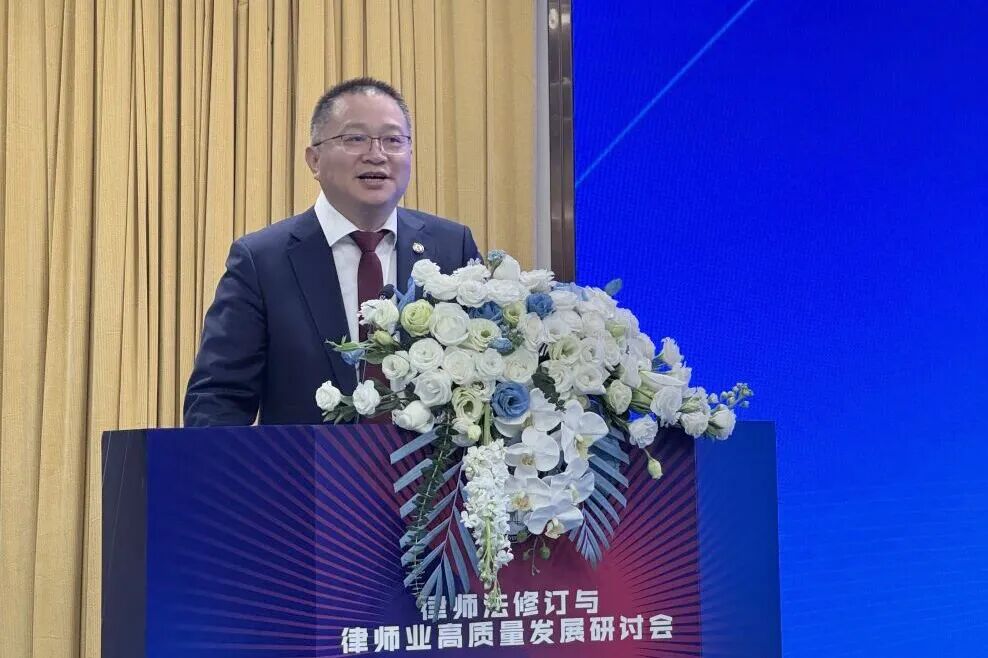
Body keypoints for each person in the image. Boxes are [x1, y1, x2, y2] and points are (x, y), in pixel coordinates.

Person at [184, 77, 481, 426]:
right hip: (303, 463)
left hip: (426, 463)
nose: (376, 155)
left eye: (392, 140)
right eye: (355, 138)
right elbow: (218, 401)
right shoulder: (262, 261)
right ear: (314, 160)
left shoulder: (451, 247)